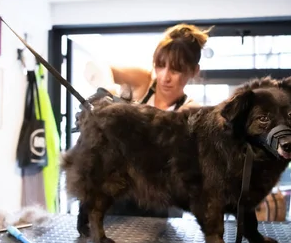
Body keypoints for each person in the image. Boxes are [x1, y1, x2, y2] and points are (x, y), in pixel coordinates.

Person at [80, 23, 212, 218]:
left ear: (194, 71)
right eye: (160, 65)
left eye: (176, 70)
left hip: (160, 205)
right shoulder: (143, 80)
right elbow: (97, 65)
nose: (165, 77)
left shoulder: (191, 111)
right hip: (119, 193)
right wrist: (108, 91)